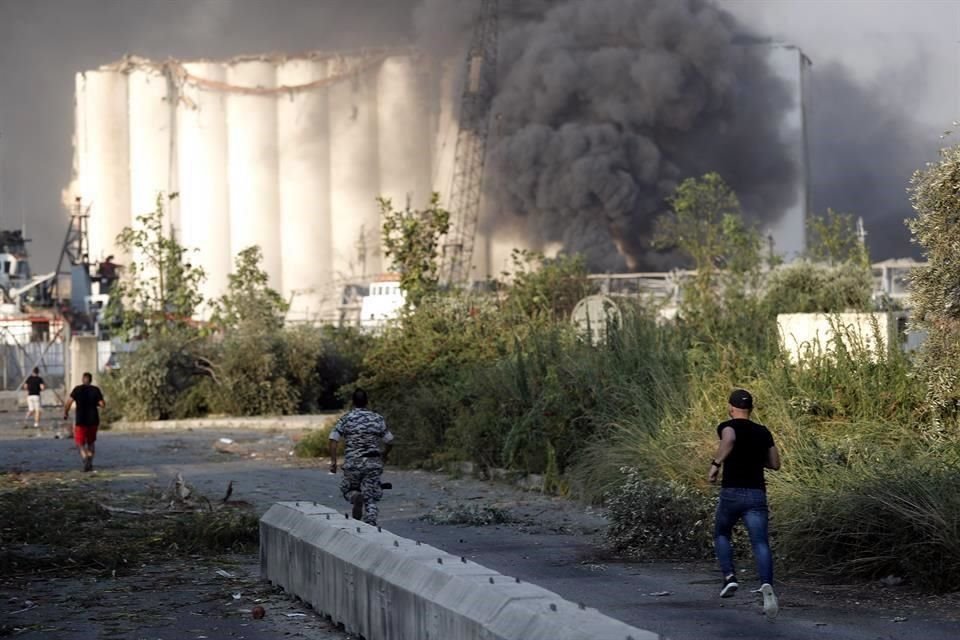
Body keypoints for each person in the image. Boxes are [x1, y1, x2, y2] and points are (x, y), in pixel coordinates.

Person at [708, 388, 781, 620]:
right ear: (751, 409)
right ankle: (767, 585)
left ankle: (730, 577)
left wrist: (716, 463)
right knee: (760, 542)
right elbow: (775, 463)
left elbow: (729, 439)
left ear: (731, 407)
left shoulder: (727, 426)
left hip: (732, 493)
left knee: (721, 533)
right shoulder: (763, 431)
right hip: (756, 494)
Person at [328, 388, 394, 526]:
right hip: (373, 464)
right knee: (370, 498)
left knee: (348, 489)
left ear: (353, 402)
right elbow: (389, 441)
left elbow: (333, 440)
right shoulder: (377, 418)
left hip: (353, 464)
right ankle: (370, 523)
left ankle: (355, 496)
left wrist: (333, 463)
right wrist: (384, 455)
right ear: (367, 402)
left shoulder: (346, 419)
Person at [63, 372, 106, 472]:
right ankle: (90, 461)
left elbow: (69, 402)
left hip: (81, 420)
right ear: (91, 380)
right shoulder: (95, 390)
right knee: (91, 442)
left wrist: (65, 412)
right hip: (93, 420)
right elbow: (102, 404)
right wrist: (95, 402)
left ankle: (85, 457)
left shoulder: (77, 389)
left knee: (80, 443)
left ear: (83, 379)